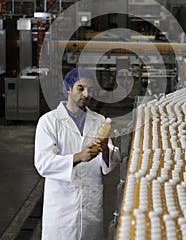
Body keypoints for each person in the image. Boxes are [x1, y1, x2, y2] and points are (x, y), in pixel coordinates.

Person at [34, 67, 121, 240]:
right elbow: (43, 163)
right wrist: (77, 157)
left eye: (90, 90)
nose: (86, 94)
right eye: (81, 88)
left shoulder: (99, 121)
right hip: (61, 210)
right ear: (68, 88)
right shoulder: (49, 122)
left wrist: (105, 149)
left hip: (90, 207)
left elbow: (111, 162)